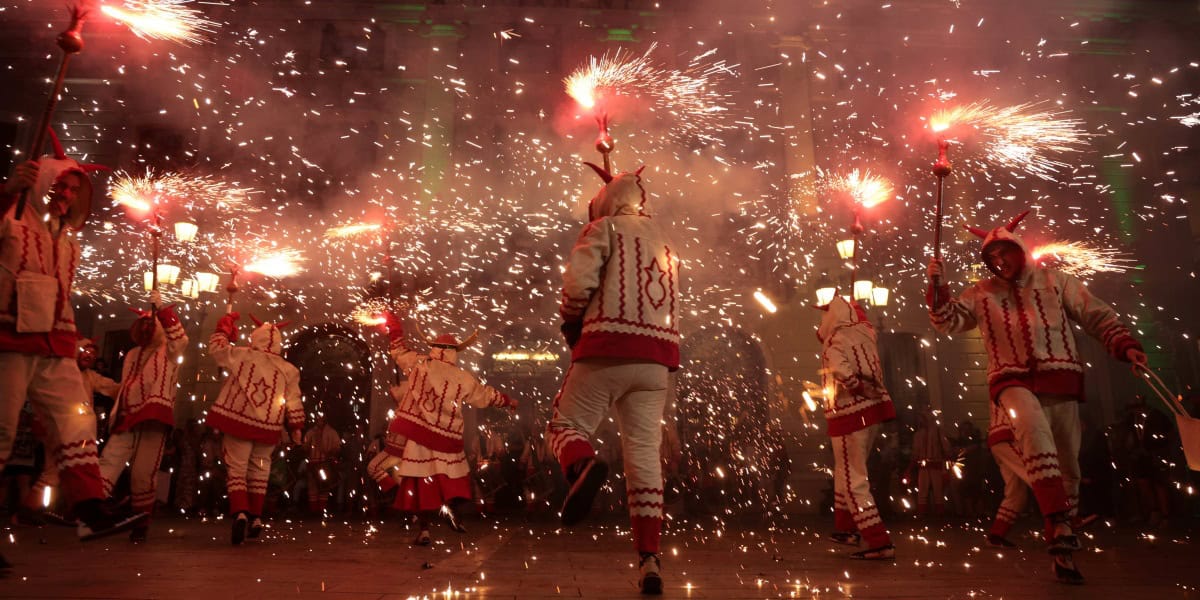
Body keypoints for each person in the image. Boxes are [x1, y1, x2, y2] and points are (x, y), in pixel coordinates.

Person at [927, 210, 1146, 584]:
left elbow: (1095, 315)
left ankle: (1063, 551)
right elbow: (947, 319)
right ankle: (1060, 523)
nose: (999, 263)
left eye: (1004, 254)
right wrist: (937, 285)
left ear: (1018, 250)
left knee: (1068, 467)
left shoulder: (1055, 281)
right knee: (1031, 429)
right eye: (992, 259)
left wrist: (1124, 345)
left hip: (1060, 380)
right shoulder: (980, 293)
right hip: (1010, 381)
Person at [545, 162, 680, 595]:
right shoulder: (663, 236)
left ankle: (583, 465)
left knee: (565, 425)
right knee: (643, 457)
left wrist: (571, 322)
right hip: (656, 360)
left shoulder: (603, 228)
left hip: (607, 348)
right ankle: (650, 560)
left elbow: (578, 282)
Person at [0, 158, 147, 552]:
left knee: (78, 428)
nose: (64, 196)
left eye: (72, 190)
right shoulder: (11, 218)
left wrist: (74, 339)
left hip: (56, 344)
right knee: (1, 433)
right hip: (9, 340)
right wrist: (7, 191)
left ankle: (90, 511)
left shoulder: (68, 239)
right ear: (40, 183)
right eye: (58, 186)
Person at [366, 314, 517, 545]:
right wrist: (507, 401)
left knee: (420, 482)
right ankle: (450, 512)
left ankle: (424, 529)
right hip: (447, 438)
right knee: (450, 478)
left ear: (434, 349)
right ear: (455, 351)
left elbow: (398, 351)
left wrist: (394, 326)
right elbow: (484, 395)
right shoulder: (462, 377)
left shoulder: (420, 363)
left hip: (419, 435)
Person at [206, 312, 304, 545]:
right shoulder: (289, 369)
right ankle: (257, 518)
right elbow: (294, 400)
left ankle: (240, 513)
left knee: (237, 469)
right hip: (268, 427)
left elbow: (217, 351)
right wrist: (296, 426)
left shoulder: (243, 355)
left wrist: (224, 328)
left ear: (255, 337)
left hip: (238, 420)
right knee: (260, 471)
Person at [814, 295, 898, 559]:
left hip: (849, 414)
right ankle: (846, 529)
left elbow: (841, 370)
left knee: (853, 479)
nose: (822, 319)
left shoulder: (835, 342)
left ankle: (878, 541)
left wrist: (856, 386)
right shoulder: (866, 335)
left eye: (825, 314)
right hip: (870, 414)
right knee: (847, 472)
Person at [98, 299, 187, 542]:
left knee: (142, 473)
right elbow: (128, 384)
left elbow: (180, 340)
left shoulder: (168, 350)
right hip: (127, 415)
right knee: (109, 459)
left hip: (154, 416)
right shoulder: (131, 355)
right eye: (143, 325)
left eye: (151, 324)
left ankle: (141, 521)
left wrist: (165, 312)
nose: (147, 329)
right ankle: (94, 508)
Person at [910, 411, 950, 517]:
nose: (920, 421)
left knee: (938, 490)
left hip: (936, 463)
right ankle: (922, 513)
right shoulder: (918, 434)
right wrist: (912, 465)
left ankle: (940, 513)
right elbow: (915, 452)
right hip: (923, 465)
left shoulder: (937, 431)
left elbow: (945, 447)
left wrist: (947, 460)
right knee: (922, 490)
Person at [302, 414, 342, 515]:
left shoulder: (331, 432)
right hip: (312, 464)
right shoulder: (310, 432)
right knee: (312, 488)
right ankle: (313, 512)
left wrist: (330, 453)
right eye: (318, 419)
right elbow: (304, 448)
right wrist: (306, 446)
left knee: (324, 488)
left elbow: (337, 448)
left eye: (321, 419)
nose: (319, 420)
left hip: (325, 464)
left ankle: (321, 511)